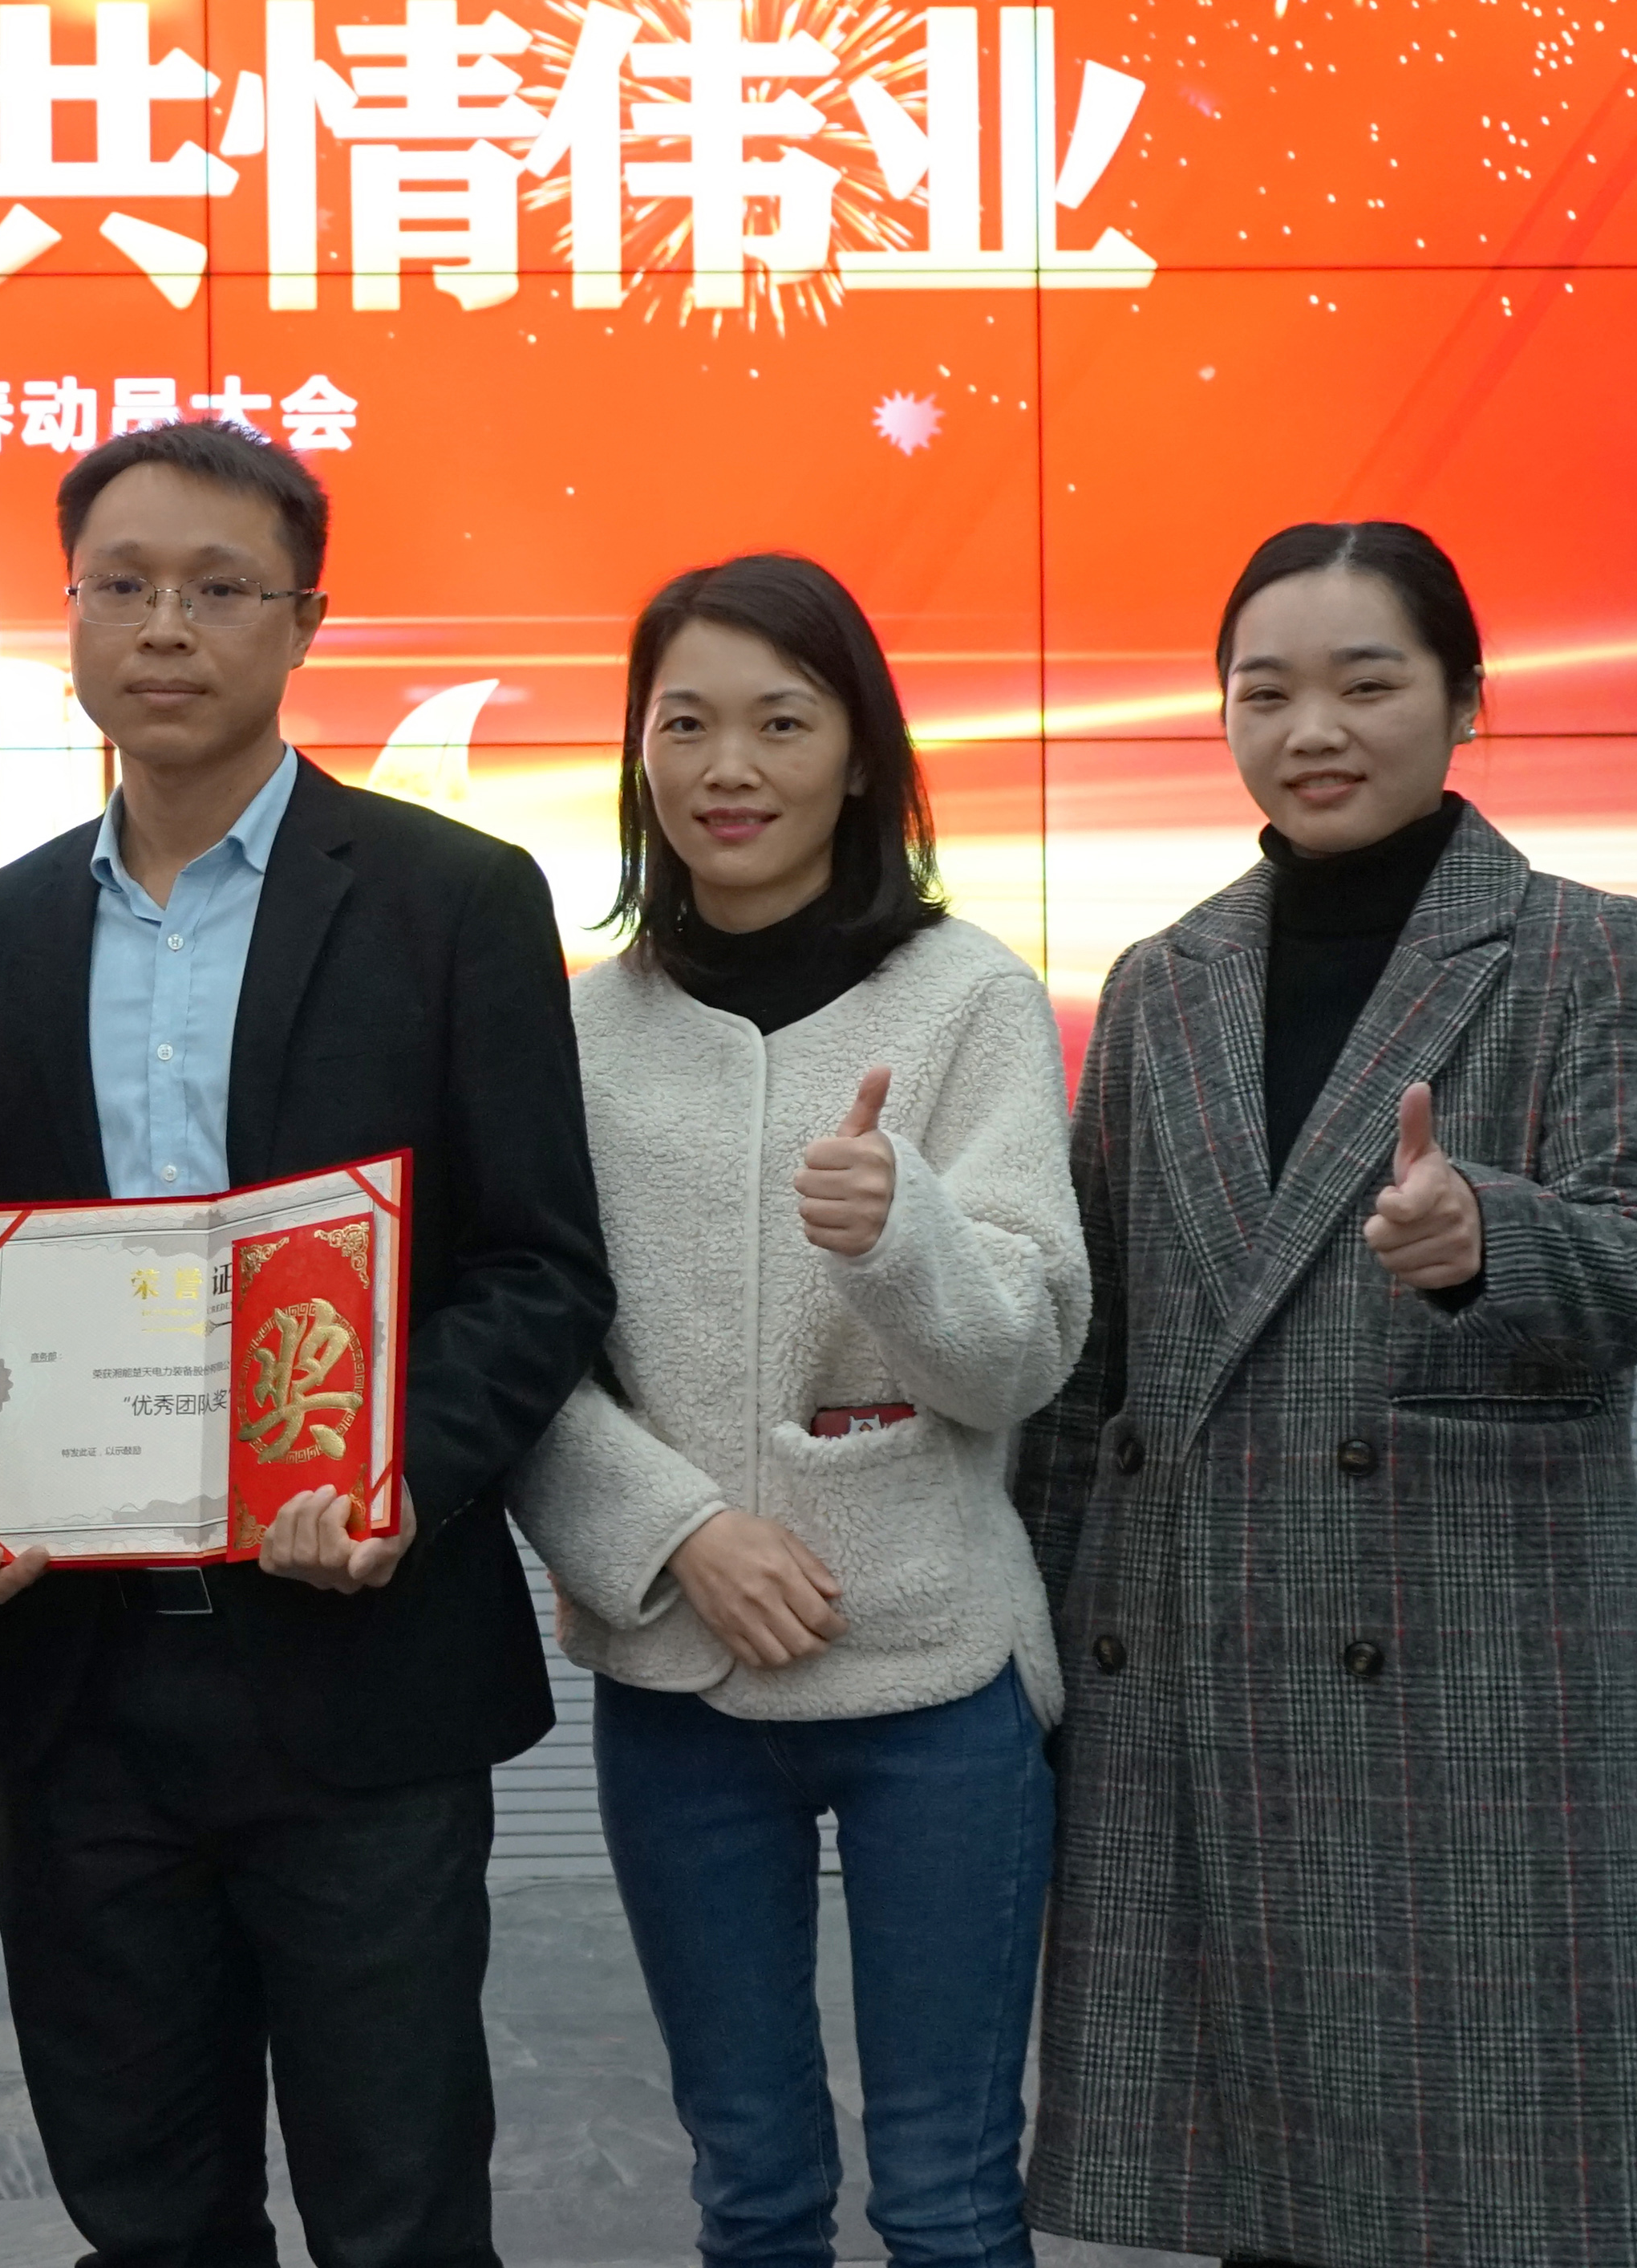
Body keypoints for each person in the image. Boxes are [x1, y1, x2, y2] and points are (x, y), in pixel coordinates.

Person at [0, 420, 617, 2268]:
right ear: (67, 617)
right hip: (83, 1682)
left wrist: (401, 1471)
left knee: (400, 2206)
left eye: (219, 587)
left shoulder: (456, 900)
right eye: (123, 584)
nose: (166, 626)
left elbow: (539, 1263)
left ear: (305, 617)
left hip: (362, 1668)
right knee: (143, 2207)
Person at [1021, 521, 1637, 2268]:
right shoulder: (1163, 980)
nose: (1312, 728)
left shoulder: (1579, 948)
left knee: (1506, 2194)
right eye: (1265, 692)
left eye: (1367, 682)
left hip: (1474, 1680)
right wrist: (1029, 1634)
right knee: (1272, 2195)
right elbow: (1094, 1357)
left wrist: (1489, 1236)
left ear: (1467, 700)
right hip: (1204, 1667)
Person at [509, 554, 1087, 2268]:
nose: (728, 768)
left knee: (949, 2196)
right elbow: (528, 1354)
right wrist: (675, 1532)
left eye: (781, 721)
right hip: (683, 1685)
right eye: (683, 724)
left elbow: (1026, 1351)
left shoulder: (969, 994)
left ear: (859, 752)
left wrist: (905, 1232)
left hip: (936, 1676)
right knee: (751, 2190)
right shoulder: (578, 1030)